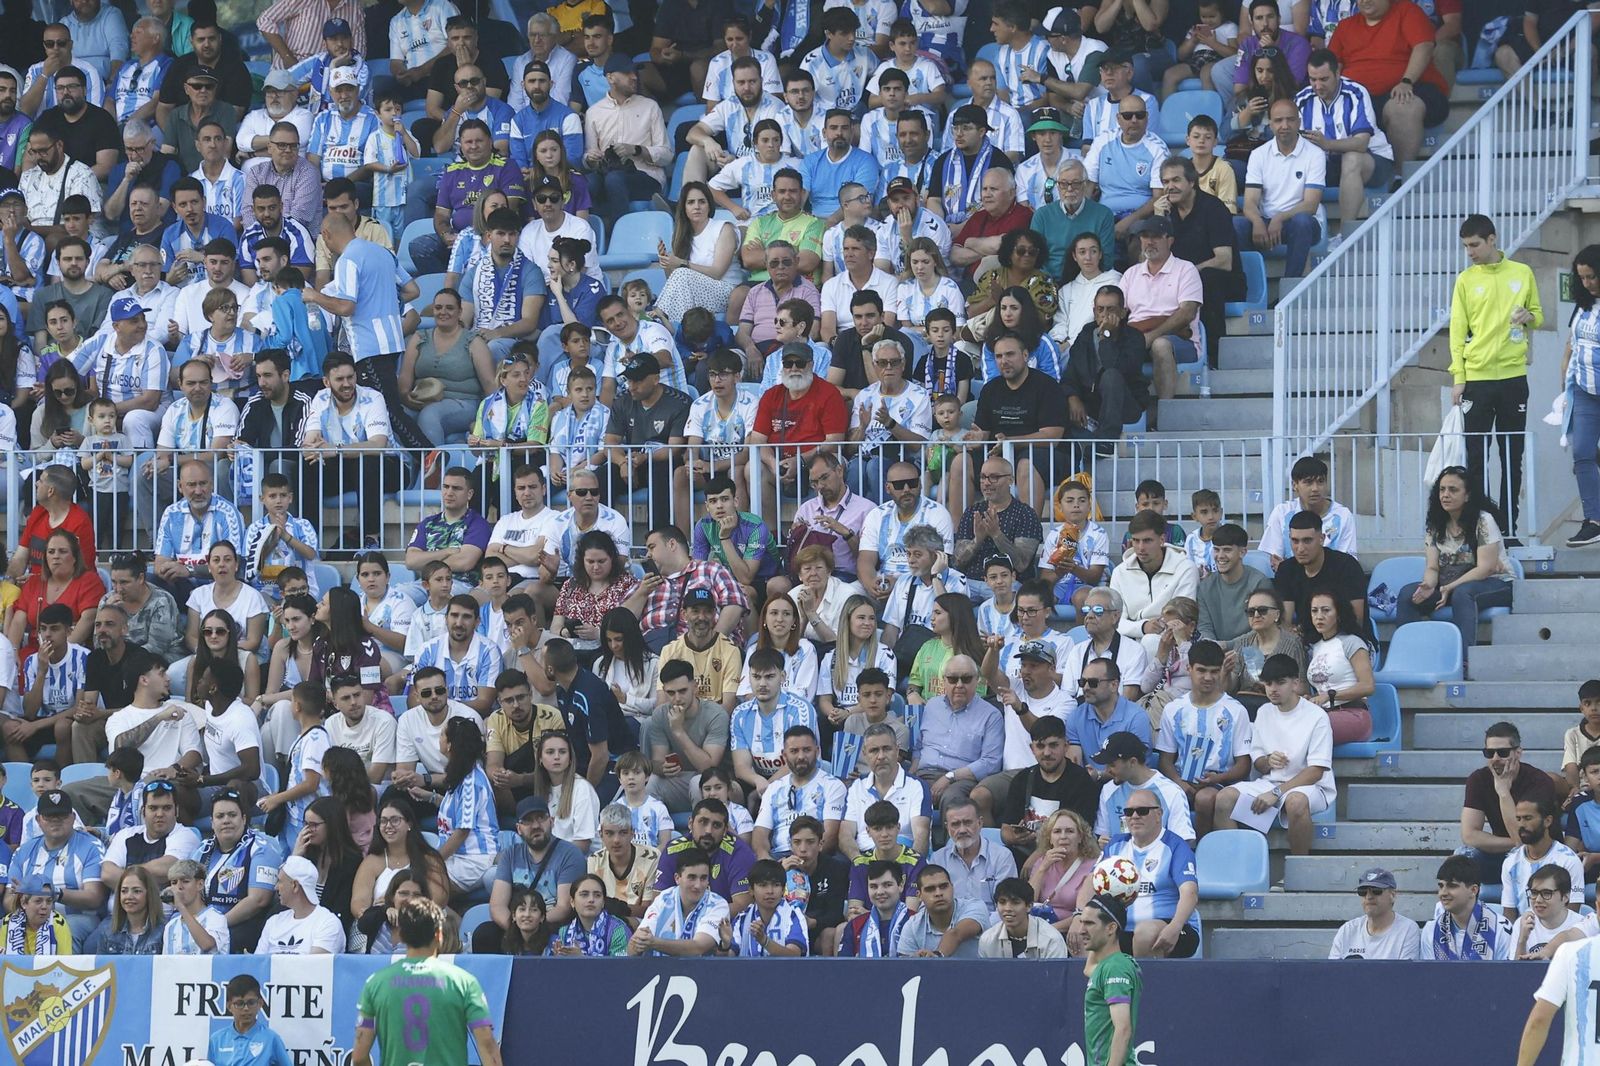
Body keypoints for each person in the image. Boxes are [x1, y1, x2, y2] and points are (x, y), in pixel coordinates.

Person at [1448, 213, 1544, 539]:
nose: (1470, 252)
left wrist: (1529, 316)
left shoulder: (1522, 272)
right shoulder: (1465, 280)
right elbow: (1457, 331)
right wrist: (1458, 377)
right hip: (1477, 378)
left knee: (1510, 455)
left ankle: (1507, 529)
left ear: (1492, 239)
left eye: (1474, 244)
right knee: (1476, 458)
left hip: (1514, 378)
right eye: (1465, 246)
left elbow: (1539, 316)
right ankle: (1481, 528)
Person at [353, 898, 502, 1066]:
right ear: (439, 935)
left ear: (401, 935)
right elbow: (488, 1047)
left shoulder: (376, 983)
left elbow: (358, 1057)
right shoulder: (464, 982)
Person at [1214, 653, 1337, 855]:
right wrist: (1268, 760)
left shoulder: (1317, 716)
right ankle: (1233, 866)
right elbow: (1259, 763)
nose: (1273, 689)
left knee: (1295, 801)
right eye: (1268, 683)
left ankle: (1299, 871)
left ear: (1296, 683)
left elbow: (1316, 771)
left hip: (1311, 788)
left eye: (1280, 682)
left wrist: (1275, 793)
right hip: (1270, 783)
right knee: (1224, 798)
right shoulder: (1263, 712)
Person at [1327, 0, 1450, 167]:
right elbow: (1333, 67)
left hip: (1414, 88)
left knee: (1402, 104)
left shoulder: (1407, 11)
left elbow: (1424, 46)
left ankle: (1401, 179)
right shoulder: (1345, 26)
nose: (1365, 1)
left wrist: (1407, 81)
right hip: (1363, 100)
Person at [583, 56, 670, 229]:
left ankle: (617, 234)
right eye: (627, 73)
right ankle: (592, 236)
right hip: (609, 174)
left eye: (634, 72)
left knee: (614, 180)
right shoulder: (594, 112)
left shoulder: (650, 107)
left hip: (646, 176)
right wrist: (591, 158)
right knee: (587, 183)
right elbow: (589, 158)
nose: (634, 77)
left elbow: (667, 155)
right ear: (610, 78)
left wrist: (637, 150)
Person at [1061, 283, 1147, 451]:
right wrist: (1072, 397)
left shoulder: (1134, 338)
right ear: (1094, 312)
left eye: (1111, 310)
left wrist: (1105, 337)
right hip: (1091, 404)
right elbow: (1071, 373)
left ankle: (1106, 442)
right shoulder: (1086, 334)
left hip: (1125, 404)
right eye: (1100, 309)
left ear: (1123, 312)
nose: (1105, 315)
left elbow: (1118, 370)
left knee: (1111, 376)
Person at [1273, 509, 1369, 636]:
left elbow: (1355, 621)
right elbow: (1285, 621)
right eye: (1295, 541)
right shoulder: (1286, 569)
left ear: (1321, 539)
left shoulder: (1346, 566)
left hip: (1348, 639)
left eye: (1307, 541)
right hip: (1305, 640)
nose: (1300, 549)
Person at [630, 846, 729, 957]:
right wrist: (639, 943)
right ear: (677, 878)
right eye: (692, 877)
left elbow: (698, 947)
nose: (698, 885)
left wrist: (653, 943)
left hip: (701, 973)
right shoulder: (664, 898)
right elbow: (634, 944)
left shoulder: (718, 905)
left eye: (703, 878)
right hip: (660, 972)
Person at [930, 796, 1016, 923]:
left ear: (980, 823)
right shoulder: (938, 859)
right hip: (949, 928)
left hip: (991, 929)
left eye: (968, 822)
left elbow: (1007, 907)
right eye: (955, 824)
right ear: (947, 827)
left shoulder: (1002, 856)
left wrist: (972, 928)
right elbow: (932, 905)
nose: (962, 830)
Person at [1420, 853, 1513, 960]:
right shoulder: (1430, 930)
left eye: (1452, 886)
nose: (1443, 893)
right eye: (1441, 886)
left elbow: (1506, 974)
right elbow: (1429, 974)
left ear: (1473, 890)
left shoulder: (1500, 928)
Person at [1326, 865, 1422, 959]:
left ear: (1392, 895)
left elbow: (1405, 973)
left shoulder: (1407, 930)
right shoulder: (1347, 931)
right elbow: (1333, 972)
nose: (1369, 897)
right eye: (1362, 891)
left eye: (1376, 891)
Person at [1197, 524, 1273, 643]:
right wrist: (1212, 647)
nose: (1220, 556)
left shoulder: (1259, 583)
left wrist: (1227, 646)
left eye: (1227, 550)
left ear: (1242, 552)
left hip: (1253, 650)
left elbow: (1263, 628)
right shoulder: (1205, 587)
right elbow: (1204, 627)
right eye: (1216, 549)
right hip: (1216, 652)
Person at [723, 857, 809, 956]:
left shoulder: (794, 916)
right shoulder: (741, 919)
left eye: (776, 885)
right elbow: (727, 963)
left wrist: (764, 941)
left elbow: (794, 956)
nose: (770, 891)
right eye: (763, 885)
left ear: (783, 889)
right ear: (751, 890)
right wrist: (725, 945)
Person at [978, 876, 1068, 957]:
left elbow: (1055, 975)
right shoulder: (987, 940)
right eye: (1002, 902)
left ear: (1029, 906)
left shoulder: (1051, 940)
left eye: (1015, 902)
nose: (1008, 908)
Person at [84, 865, 163, 954]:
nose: (129, 896)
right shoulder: (107, 931)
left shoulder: (163, 931)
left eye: (137, 891)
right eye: (124, 891)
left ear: (149, 894)